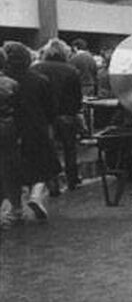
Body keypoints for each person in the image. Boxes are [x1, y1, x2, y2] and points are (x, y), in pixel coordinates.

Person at [2, 42, 60, 221]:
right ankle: (36, 195)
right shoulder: (39, 80)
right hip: (36, 127)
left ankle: (16, 208)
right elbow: (51, 108)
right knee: (44, 164)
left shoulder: (6, 80)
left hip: (11, 128)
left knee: (11, 169)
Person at [33, 39, 84, 191]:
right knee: (70, 149)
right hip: (67, 115)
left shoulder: (36, 68)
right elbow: (77, 96)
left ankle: (53, 184)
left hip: (45, 117)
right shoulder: (71, 70)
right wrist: (76, 112)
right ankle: (72, 180)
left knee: (49, 150)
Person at [0, 47, 22, 228]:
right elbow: (19, 110)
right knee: (9, 169)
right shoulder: (11, 84)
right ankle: (15, 208)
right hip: (8, 130)